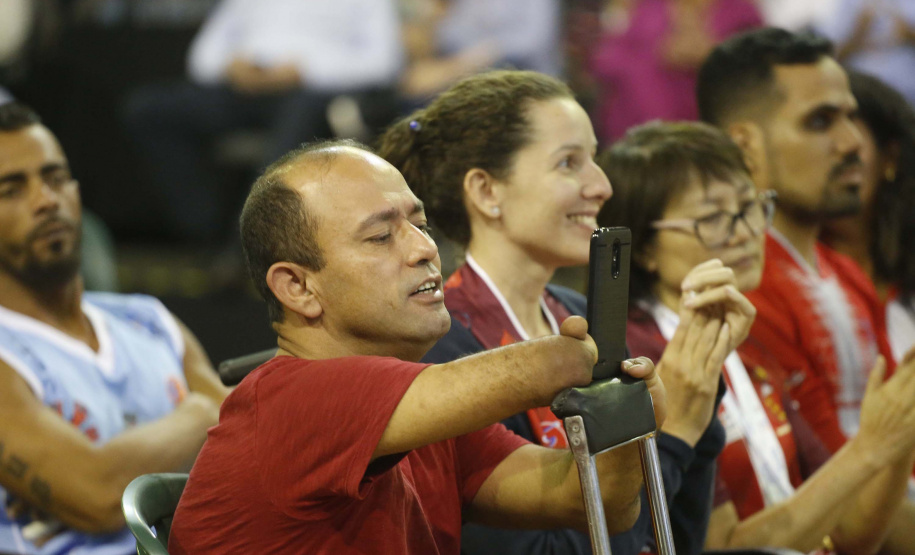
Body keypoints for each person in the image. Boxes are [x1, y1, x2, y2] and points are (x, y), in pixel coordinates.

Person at [167, 139, 667, 554]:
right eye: (382, 236)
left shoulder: (422, 418)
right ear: (298, 287)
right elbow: (542, 367)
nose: (425, 248)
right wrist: (585, 357)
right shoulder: (289, 400)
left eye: (419, 225)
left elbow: (597, 502)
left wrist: (626, 407)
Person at [377, 69, 754, 555]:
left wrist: (698, 400)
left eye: (594, 159)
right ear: (488, 192)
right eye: (569, 163)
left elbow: (674, 537)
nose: (601, 186)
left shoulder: (583, 315)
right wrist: (676, 432)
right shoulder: (443, 347)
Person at [599, 119, 915, 555]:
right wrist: (871, 447)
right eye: (713, 218)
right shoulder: (640, 363)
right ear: (646, 247)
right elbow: (723, 547)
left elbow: (848, 533)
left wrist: (898, 434)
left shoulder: (747, 336)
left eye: (751, 207)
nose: (747, 232)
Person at [0, 102, 228, 554]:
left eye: (55, 177)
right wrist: (202, 412)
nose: (46, 199)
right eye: (11, 189)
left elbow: (246, 445)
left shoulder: (148, 319)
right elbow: (99, 494)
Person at [696, 26, 894, 454]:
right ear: (745, 147)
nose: (853, 142)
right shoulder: (740, 291)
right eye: (821, 121)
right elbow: (843, 508)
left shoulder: (843, 271)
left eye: (851, 117)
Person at [123, 0, 403, 242]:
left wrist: (305, 70)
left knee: (298, 120)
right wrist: (230, 66)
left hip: (312, 90)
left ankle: (250, 242)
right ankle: (205, 233)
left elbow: (383, 62)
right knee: (149, 111)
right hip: (243, 87)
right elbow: (202, 54)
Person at [821, 70, 915, 362]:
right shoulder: (794, 264)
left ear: (890, 157)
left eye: (853, 145)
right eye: (819, 132)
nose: (837, 152)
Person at [589, 0, 762, 142]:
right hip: (638, 140)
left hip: (712, 136)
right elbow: (603, 61)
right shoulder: (641, 6)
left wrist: (714, 54)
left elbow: (760, 67)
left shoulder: (740, 9)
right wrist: (658, 54)